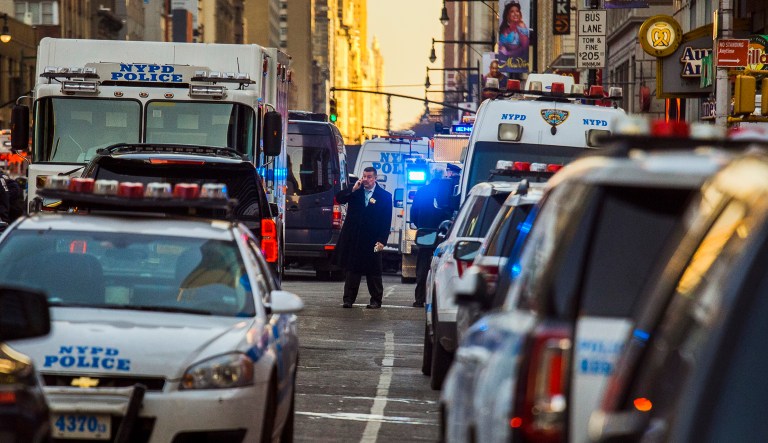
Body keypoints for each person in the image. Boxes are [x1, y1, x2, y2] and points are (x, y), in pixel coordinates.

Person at [333, 166, 393, 309]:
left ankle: (376, 300)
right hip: (354, 237)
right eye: (364, 176)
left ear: (375, 178)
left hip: (373, 239)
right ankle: (348, 299)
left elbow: (386, 220)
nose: (366, 179)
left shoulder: (384, 196)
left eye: (369, 177)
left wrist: (382, 240)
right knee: (352, 270)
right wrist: (353, 189)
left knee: (374, 271)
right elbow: (339, 199)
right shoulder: (356, 191)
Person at [410, 167, 456, 308]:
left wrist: (421, 226)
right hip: (442, 234)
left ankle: (419, 299)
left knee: (423, 266)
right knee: (442, 265)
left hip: (425, 233)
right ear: (443, 176)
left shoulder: (422, 191)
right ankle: (438, 299)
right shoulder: (447, 191)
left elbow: (413, 213)